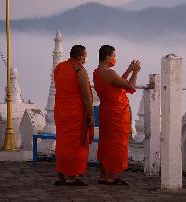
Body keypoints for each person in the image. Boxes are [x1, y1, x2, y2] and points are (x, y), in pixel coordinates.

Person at [93, 45, 141, 185]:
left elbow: (117, 84)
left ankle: (103, 175)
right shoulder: (109, 73)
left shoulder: (98, 72)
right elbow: (130, 86)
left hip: (106, 111)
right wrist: (136, 72)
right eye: (114, 56)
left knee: (106, 143)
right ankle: (111, 177)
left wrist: (128, 70)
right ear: (108, 57)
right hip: (116, 113)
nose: (115, 59)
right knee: (116, 145)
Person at [54, 45, 94, 186]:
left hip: (61, 111)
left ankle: (60, 175)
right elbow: (85, 94)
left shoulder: (59, 67)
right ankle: (71, 177)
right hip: (75, 113)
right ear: (80, 56)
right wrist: (91, 113)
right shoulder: (79, 70)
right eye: (85, 57)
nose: (85, 60)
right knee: (75, 144)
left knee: (62, 143)